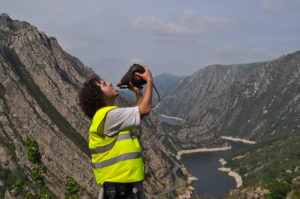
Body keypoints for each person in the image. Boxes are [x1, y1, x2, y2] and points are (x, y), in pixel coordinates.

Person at [78, 64, 153, 199]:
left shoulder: (108, 117)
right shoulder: (107, 116)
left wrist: (138, 93)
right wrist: (149, 80)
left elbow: (138, 114)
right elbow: (145, 109)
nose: (109, 83)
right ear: (99, 95)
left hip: (122, 185)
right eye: (103, 84)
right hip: (119, 187)